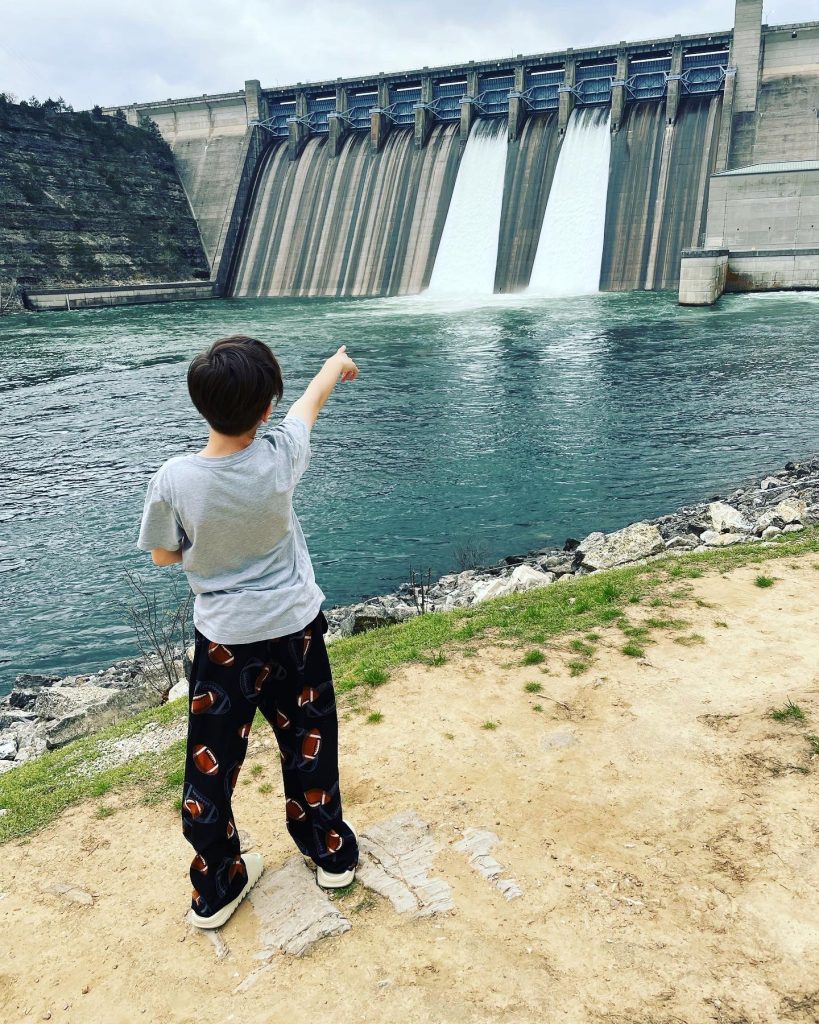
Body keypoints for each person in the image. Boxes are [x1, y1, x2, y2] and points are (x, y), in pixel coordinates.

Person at [137, 335, 360, 930]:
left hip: (224, 643)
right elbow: (308, 406)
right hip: (297, 633)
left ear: (200, 403)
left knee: (211, 767)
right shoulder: (281, 455)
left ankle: (217, 885)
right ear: (265, 410)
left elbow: (163, 555)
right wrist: (335, 366)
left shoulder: (174, 480)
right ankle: (329, 853)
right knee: (310, 743)